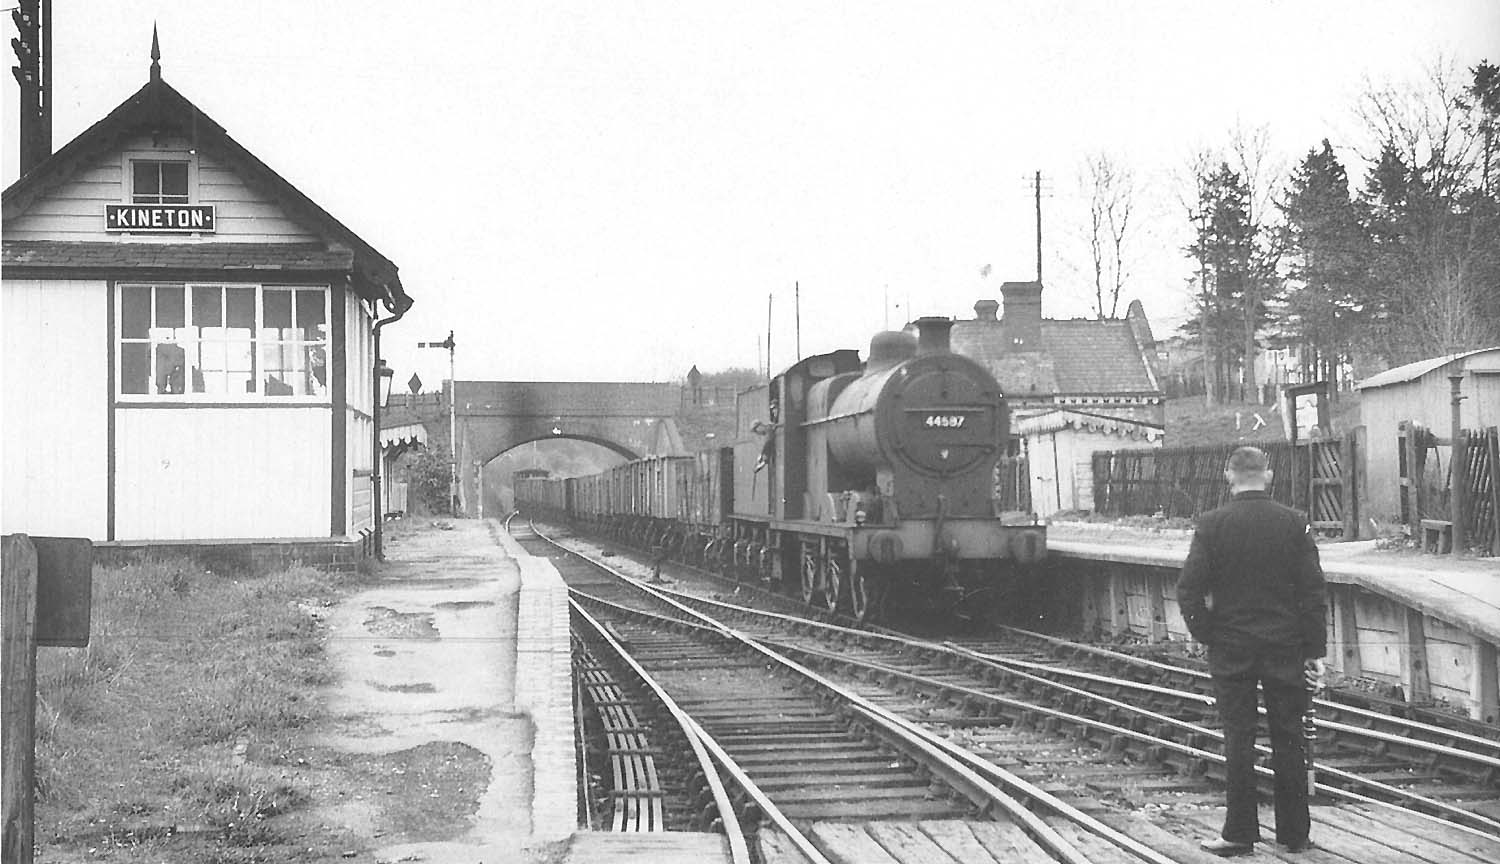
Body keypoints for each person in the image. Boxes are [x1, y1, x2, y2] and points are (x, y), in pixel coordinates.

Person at [1177, 446, 1328, 857]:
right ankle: (1294, 834)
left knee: (1238, 739)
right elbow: (1313, 592)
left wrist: (1209, 634)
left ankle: (1240, 834)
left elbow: (1188, 589)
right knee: (1290, 737)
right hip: (1286, 648)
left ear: (1229, 475)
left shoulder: (1211, 525)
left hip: (1232, 647)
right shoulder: (1295, 523)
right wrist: (1314, 650)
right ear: (1270, 475)